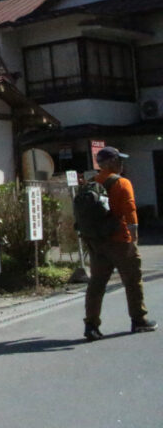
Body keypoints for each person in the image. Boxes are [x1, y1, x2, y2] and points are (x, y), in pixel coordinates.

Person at [83, 146, 157, 341]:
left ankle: (91, 325)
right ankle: (139, 320)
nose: (122, 164)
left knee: (96, 284)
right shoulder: (122, 183)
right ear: (111, 162)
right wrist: (134, 239)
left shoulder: (92, 183)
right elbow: (130, 212)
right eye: (119, 160)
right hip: (120, 240)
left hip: (97, 242)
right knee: (132, 281)